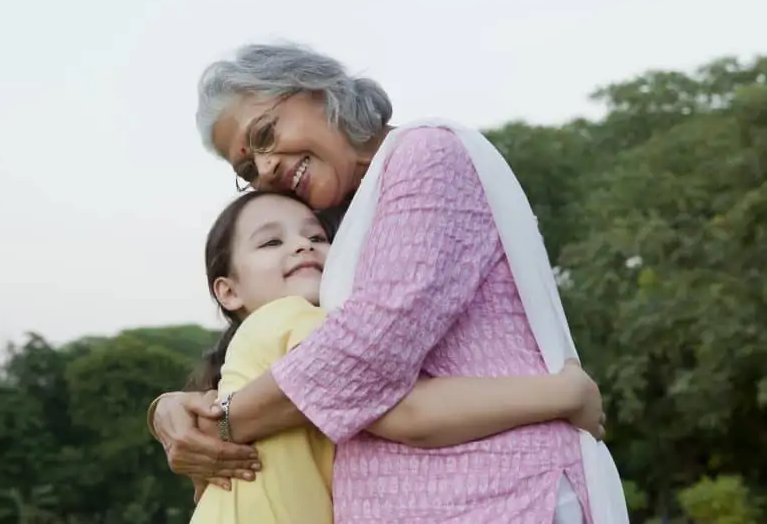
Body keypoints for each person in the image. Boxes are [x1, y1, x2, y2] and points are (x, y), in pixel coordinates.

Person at [148, 42, 629, 524]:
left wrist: (219, 425)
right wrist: (169, 411)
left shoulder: (424, 156)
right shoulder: (349, 225)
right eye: (249, 169)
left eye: (266, 134)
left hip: (503, 497)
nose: (267, 167)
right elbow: (278, 352)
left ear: (317, 92)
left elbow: (364, 354)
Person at [186, 189, 605, 524]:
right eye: (272, 241)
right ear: (228, 291)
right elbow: (408, 413)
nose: (302, 246)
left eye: (317, 237)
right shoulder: (287, 319)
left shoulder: (252, 355)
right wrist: (565, 393)